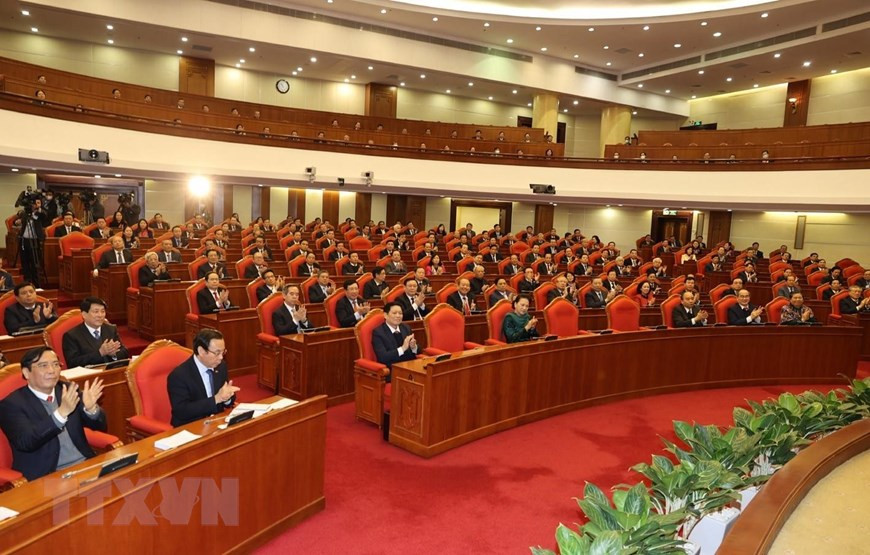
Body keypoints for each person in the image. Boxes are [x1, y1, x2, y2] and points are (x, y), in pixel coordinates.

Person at [0, 346, 106, 481]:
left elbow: (100, 427)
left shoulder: (66, 389)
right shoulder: (11, 404)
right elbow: (26, 442)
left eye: (56, 364)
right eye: (43, 366)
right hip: (47, 476)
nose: (52, 371)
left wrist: (91, 410)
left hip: (85, 465)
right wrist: (60, 415)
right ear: (26, 373)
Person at [167, 329, 239, 427]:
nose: (221, 357)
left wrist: (227, 398)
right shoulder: (179, 376)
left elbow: (225, 396)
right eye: (217, 353)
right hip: (190, 427)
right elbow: (182, 411)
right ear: (201, 351)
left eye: (223, 352)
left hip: (217, 423)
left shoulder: (221, 366)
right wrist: (216, 399)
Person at [61, 297, 129, 367]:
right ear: (84, 314)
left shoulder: (110, 329)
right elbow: (72, 363)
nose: (100, 315)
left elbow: (124, 352)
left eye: (102, 311)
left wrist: (113, 355)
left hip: (111, 372)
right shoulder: (71, 336)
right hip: (88, 375)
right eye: (96, 312)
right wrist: (100, 353)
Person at [372, 303, 418, 374]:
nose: (398, 316)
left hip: (410, 367)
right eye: (394, 313)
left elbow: (419, 350)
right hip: (392, 370)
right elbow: (383, 357)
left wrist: (413, 347)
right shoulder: (378, 333)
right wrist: (402, 348)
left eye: (400, 313)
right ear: (385, 315)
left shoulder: (406, 328)